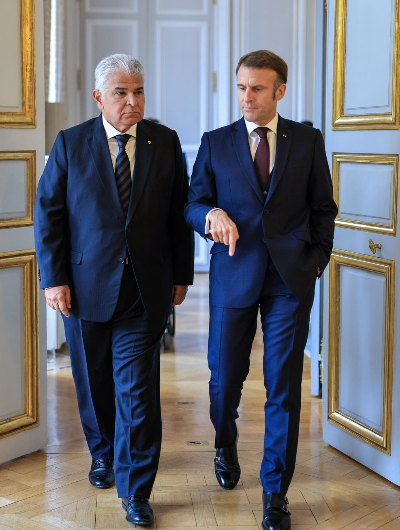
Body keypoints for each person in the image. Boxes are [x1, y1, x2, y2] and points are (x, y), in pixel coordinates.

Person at [34, 53, 194, 527]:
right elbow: (50, 216)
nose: (132, 101)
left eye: (139, 91)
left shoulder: (164, 142)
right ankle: (102, 453)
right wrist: (53, 278)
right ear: (100, 97)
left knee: (138, 391)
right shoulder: (71, 143)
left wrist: (180, 274)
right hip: (83, 288)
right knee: (94, 382)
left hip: (144, 290)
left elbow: (177, 214)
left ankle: (137, 488)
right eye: (122, 93)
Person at [185, 50, 337, 530]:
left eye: (256, 88)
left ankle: (276, 492)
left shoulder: (308, 140)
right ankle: (224, 441)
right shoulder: (215, 142)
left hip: (290, 281)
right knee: (224, 380)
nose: (246, 97)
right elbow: (193, 203)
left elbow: (323, 209)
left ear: (279, 91)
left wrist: (315, 263)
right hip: (233, 273)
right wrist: (210, 217)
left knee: (283, 388)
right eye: (241, 87)